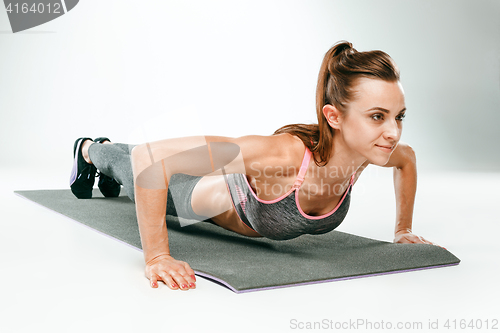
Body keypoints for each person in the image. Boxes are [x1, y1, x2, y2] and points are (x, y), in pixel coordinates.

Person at [69, 41, 437, 291]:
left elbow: (409, 160)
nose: (392, 132)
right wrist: (158, 257)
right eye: (377, 116)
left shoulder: (372, 151)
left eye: (399, 116)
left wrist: (403, 229)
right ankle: (89, 150)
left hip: (220, 194)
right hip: (194, 202)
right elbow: (148, 160)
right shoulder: (282, 156)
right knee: (132, 169)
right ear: (334, 117)